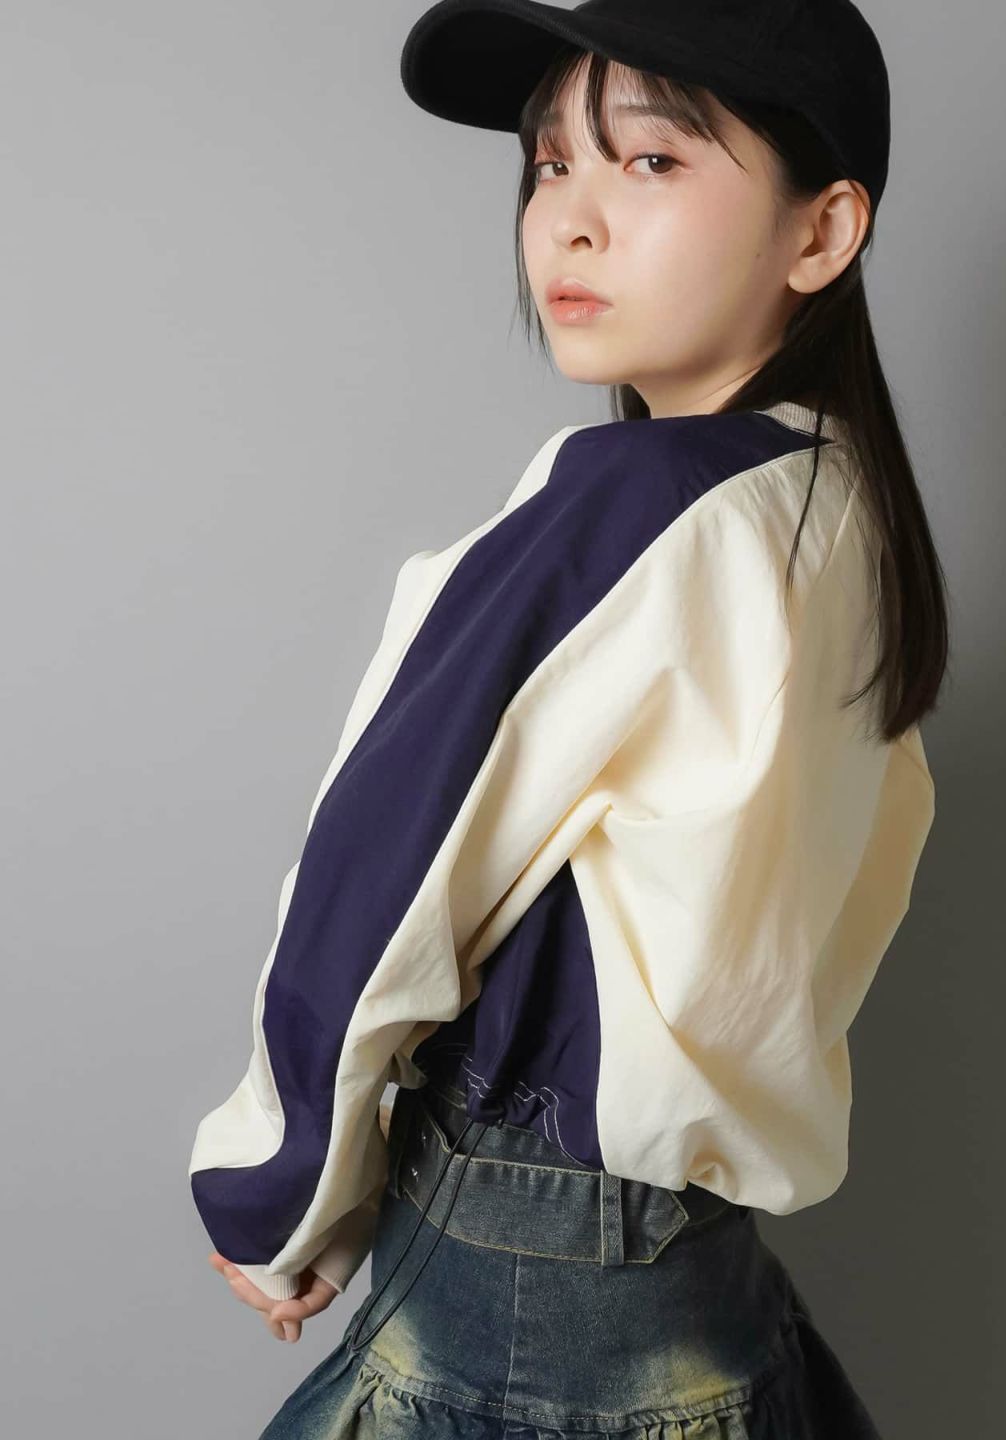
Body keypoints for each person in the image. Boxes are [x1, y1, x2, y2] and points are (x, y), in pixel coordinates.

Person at [188, 0, 950, 1434]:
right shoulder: (836, 505)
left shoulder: (638, 503)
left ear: (822, 232)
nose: (569, 222)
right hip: (696, 1287)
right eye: (550, 165)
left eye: (651, 161)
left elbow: (387, 864)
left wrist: (277, 1193)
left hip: (529, 1289)